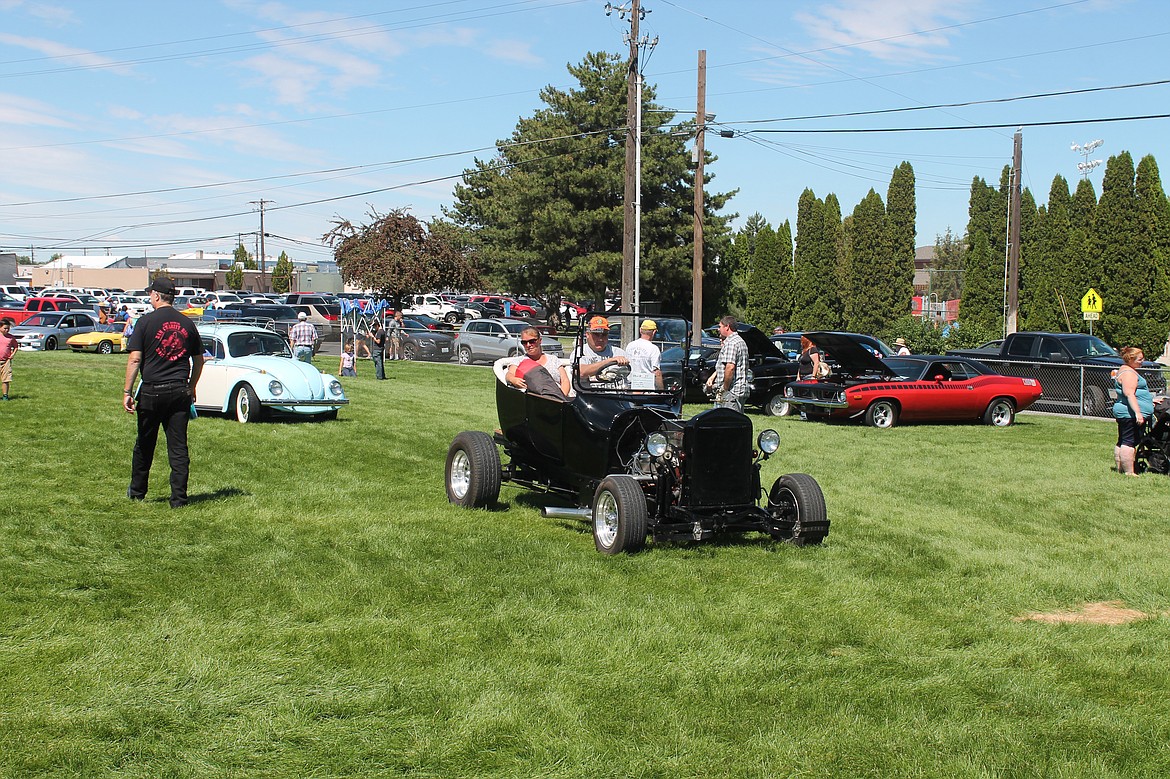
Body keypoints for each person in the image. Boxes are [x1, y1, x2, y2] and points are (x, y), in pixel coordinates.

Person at [123, 277, 204, 508]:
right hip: (179, 391)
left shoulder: (145, 322)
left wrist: (127, 391)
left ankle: (137, 492)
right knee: (178, 448)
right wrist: (191, 385)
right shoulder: (187, 324)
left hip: (151, 391)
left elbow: (135, 358)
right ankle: (179, 499)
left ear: (157, 296)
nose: (150, 297)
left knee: (144, 444)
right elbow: (199, 360)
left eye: (151, 294)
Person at [1112, 346, 1155, 476]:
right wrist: (1138, 413)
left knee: (1122, 441)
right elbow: (1130, 394)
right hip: (1129, 414)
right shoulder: (1129, 374)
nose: (1142, 361)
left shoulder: (1125, 370)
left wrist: (1149, 401)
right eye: (1140, 359)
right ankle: (1129, 472)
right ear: (1130, 359)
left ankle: (1120, 469)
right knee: (1129, 443)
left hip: (1125, 412)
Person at [505, 327, 570, 398]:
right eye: (524, 342)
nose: (528, 345)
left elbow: (565, 380)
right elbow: (509, 374)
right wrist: (513, 380)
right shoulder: (519, 361)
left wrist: (561, 398)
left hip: (558, 399)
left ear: (540, 341)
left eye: (532, 341)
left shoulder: (553, 359)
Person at [706, 315, 749, 412]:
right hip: (739, 390)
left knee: (728, 423)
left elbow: (730, 368)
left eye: (720, 326)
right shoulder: (740, 341)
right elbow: (724, 365)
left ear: (727, 327)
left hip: (732, 393)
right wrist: (713, 377)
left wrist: (724, 390)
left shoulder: (732, 343)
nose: (718, 329)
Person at [574, 315, 629, 389]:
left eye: (604, 335)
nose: (600, 339)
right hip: (589, 397)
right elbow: (581, 372)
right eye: (596, 334)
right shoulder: (580, 352)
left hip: (616, 397)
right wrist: (610, 360)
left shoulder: (619, 353)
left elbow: (631, 377)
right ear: (587, 334)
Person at [624, 319, 663, 390]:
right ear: (654, 332)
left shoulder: (630, 345)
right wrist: (662, 391)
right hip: (646, 387)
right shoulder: (653, 349)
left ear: (640, 330)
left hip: (630, 386)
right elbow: (657, 373)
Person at [0, 317, 18, 401]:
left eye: (8, 328)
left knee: (5, 379)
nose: (7, 330)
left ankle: (5, 396)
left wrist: (12, 354)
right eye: (5, 328)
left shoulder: (11, 338)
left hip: (6, 361)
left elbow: (16, 347)